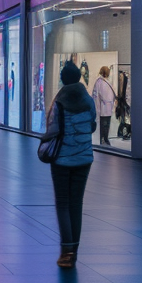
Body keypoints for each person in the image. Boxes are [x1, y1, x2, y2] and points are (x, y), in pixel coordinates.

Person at [45, 60, 97, 269]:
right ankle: (73, 252)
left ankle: (66, 251)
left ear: (63, 79)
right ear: (79, 77)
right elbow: (92, 125)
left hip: (62, 159)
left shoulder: (59, 101)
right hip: (84, 158)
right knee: (77, 204)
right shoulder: (89, 100)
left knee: (63, 203)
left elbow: (52, 128)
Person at [91, 67, 116, 146]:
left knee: (106, 124)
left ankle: (105, 138)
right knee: (104, 124)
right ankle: (103, 139)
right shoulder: (99, 82)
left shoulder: (104, 81)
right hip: (103, 108)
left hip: (107, 107)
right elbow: (96, 96)